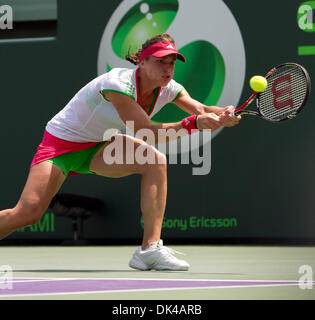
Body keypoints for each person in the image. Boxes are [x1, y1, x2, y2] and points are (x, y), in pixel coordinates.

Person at [0, 33, 240, 271]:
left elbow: (201, 108)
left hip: (100, 145)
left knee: (155, 161)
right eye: (160, 62)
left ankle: (149, 249)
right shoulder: (117, 84)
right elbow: (146, 131)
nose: (167, 69)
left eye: (171, 63)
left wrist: (223, 115)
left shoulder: (169, 88)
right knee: (27, 214)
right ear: (142, 61)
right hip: (61, 145)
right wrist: (194, 124)